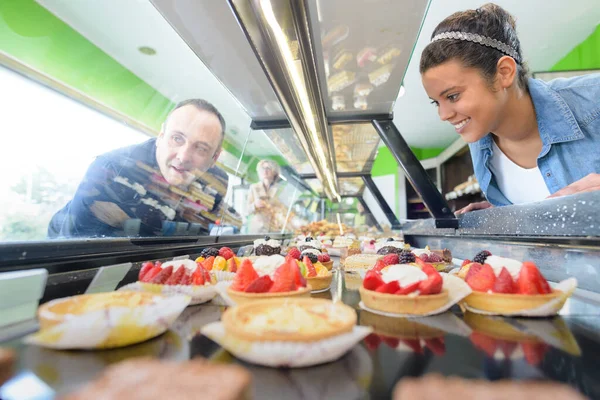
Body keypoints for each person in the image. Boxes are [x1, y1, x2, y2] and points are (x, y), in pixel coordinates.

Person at [419, 3, 600, 215]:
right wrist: (505, 213)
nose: (444, 115)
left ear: (504, 72)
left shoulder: (592, 99)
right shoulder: (479, 140)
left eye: (452, 96)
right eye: (436, 102)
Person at [48, 99, 231, 238]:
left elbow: (197, 242)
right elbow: (78, 251)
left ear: (214, 158)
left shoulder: (217, 183)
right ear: (161, 136)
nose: (183, 157)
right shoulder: (111, 169)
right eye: (177, 138)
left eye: (201, 148)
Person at [246, 159, 284, 234]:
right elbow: (246, 211)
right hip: (257, 230)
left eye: (268, 168)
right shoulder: (254, 187)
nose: (265, 171)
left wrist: (275, 210)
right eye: (262, 168)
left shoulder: (280, 189)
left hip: (274, 229)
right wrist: (254, 205)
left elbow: (284, 210)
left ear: (274, 171)